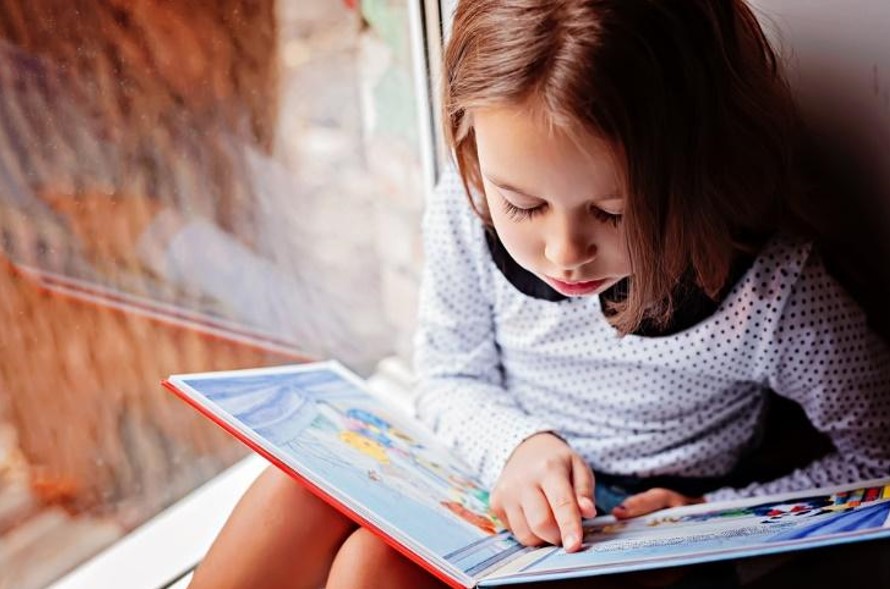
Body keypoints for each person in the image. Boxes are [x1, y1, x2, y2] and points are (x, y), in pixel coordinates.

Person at [187, 1, 890, 587]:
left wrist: (712, 519)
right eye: (523, 206)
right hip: (501, 468)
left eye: (612, 213)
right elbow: (449, 376)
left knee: (374, 568)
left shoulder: (776, 295)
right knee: (301, 488)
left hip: (638, 535)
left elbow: (878, 461)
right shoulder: (465, 216)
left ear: (696, 167)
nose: (564, 253)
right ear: (471, 149)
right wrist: (517, 446)